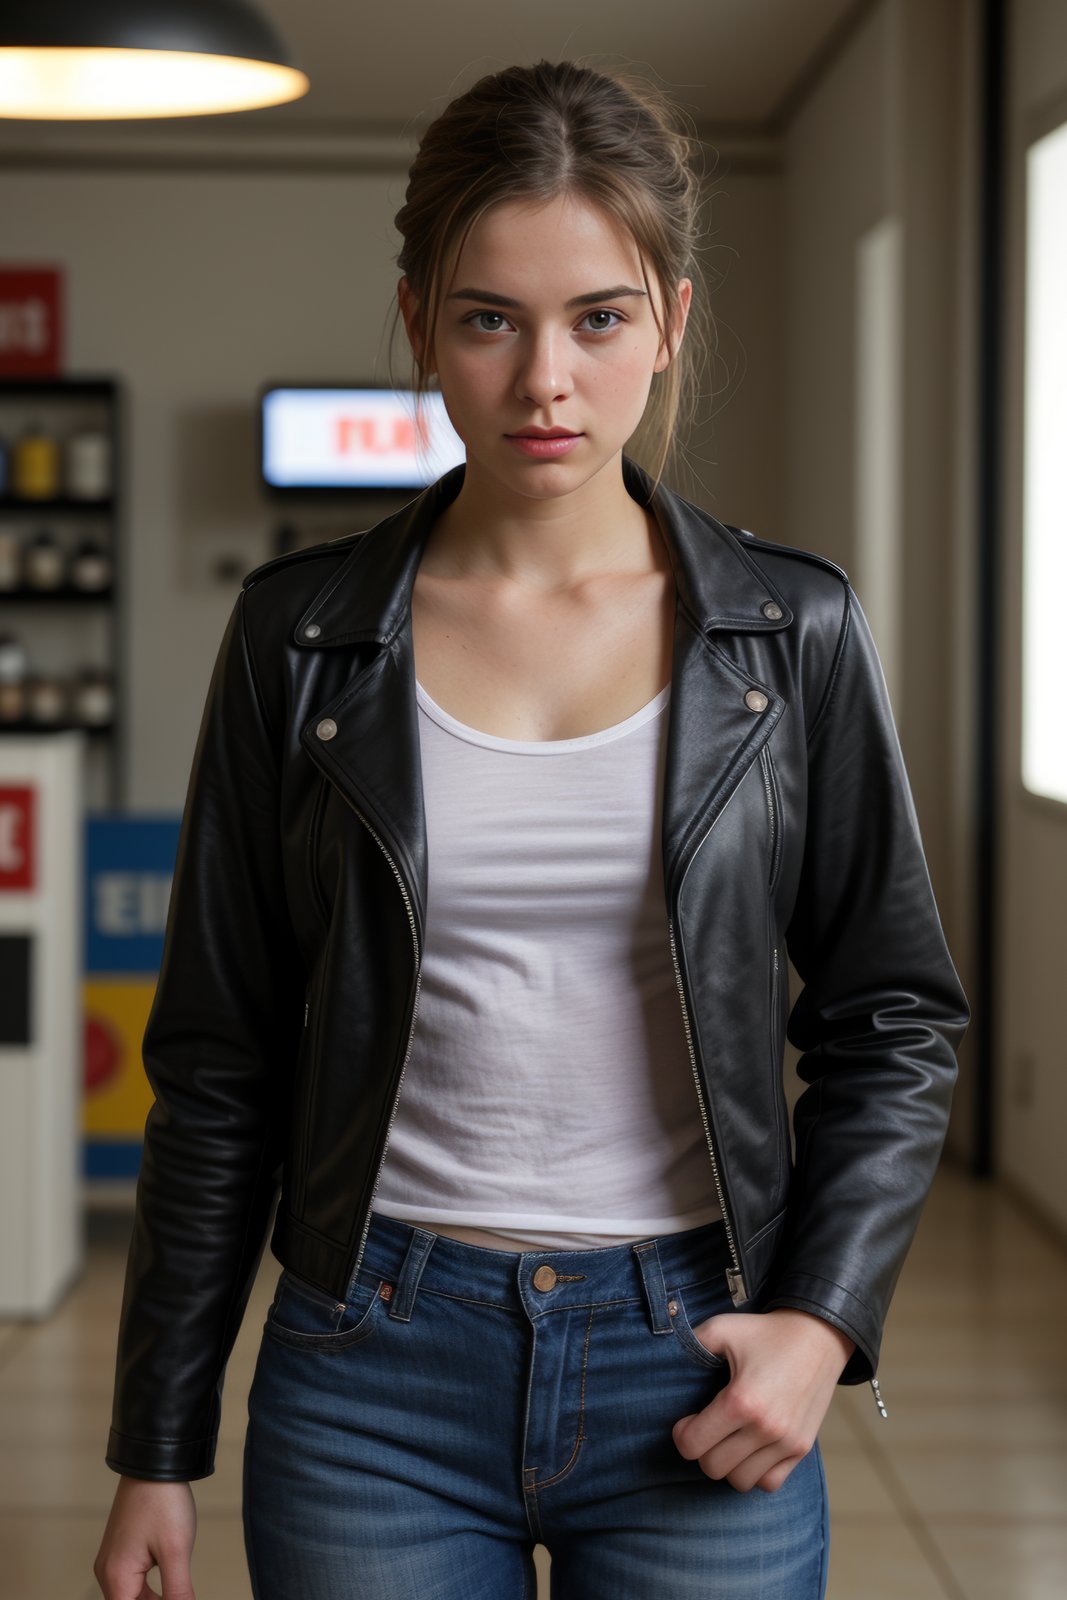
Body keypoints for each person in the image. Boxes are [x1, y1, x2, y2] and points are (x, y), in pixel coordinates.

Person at [94, 58, 969, 1600]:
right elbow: (221, 1055)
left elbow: (893, 1013)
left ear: (672, 322)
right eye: (491, 317)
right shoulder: (299, 638)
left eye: (599, 319)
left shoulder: (792, 632)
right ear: (425, 319)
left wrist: (821, 1321)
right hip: (372, 1364)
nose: (544, 381)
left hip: (693, 1356)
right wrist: (158, 1441)